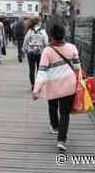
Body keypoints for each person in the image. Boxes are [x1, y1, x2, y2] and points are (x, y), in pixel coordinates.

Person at [32, 23, 81, 152]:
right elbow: (77, 68)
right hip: (69, 85)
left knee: (53, 105)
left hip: (52, 85)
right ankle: (61, 140)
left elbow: (42, 72)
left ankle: (54, 126)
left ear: (51, 36)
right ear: (63, 35)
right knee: (65, 113)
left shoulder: (47, 51)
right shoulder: (72, 48)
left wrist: (36, 90)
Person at [23, 17, 48, 90]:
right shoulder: (43, 31)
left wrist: (24, 50)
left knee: (31, 69)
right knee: (40, 70)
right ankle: (39, 85)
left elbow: (25, 41)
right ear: (39, 22)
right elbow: (46, 42)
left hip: (30, 53)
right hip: (40, 53)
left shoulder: (29, 31)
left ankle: (33, 85)